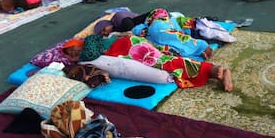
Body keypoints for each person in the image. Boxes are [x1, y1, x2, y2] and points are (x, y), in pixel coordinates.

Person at [79, 34, 233, 92]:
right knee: (167, 61)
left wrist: (80, 55)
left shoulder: (91, 41)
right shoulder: (93, 46)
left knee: (164, 61)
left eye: (71, 50)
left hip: (130, 44)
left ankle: (215, 70)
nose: (72, 53)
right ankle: (215, 72)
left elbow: (89, 52)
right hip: (129, 48)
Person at [133, 8, 213, 61]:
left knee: (160, 33)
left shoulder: (159, 15)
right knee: (162, 48)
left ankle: (199, 45)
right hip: (151, 27)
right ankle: (193, 52)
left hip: (158, 17)